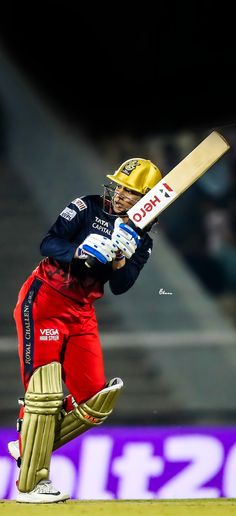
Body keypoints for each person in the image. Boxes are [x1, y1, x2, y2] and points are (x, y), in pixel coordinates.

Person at [8, 157, 162, 503]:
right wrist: (80, 251)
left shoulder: (142, 239)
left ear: (149, 200)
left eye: (131, 192)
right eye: (120, 187)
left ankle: (28, 444)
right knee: (45, 395)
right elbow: (48, 243)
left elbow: (122, 286)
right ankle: (32, 483)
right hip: (46, 300)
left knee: (94, 401)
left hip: (82, 312)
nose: (121, 195)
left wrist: (122, 257)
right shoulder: (87, 207)